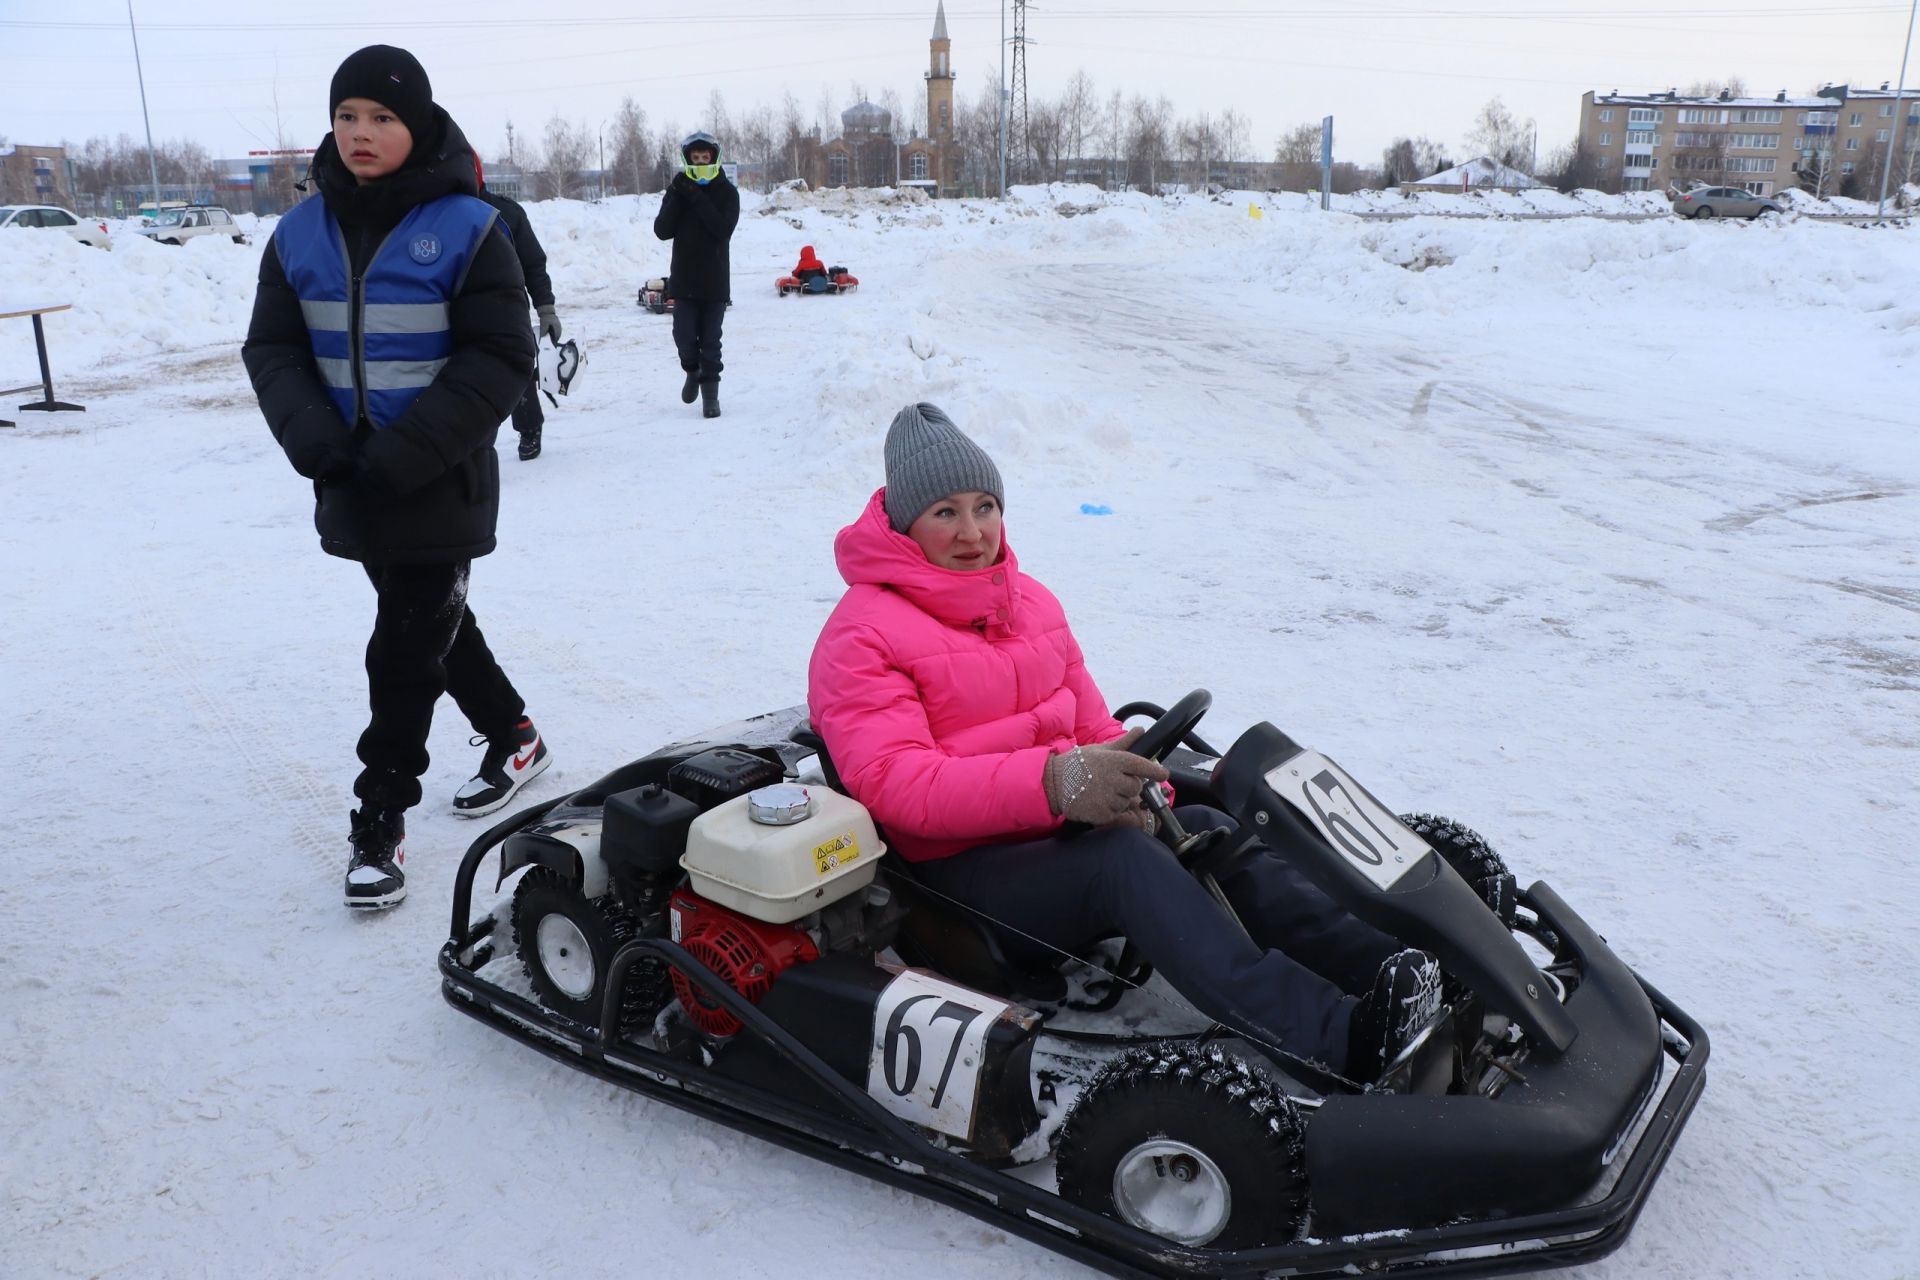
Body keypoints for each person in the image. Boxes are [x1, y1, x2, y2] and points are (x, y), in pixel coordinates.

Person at [806, 403, 1444, 1083]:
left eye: (985, 506)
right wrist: (1055, 785)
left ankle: (1396, 966)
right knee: (1123, 861)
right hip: (964, 878)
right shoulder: (862, 636)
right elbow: (899, 784)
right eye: (946, 513)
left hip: (1052, 837)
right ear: (906, 523)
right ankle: (1337, 1041)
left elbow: (1090, 729)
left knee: (1206, 827)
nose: (973, 532)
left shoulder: (1031, 605)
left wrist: (1145, 781)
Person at [242, 44, 553, 910]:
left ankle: (379, 818)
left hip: (438, 475)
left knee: (404, 647)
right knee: (434, 621)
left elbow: (500, 354)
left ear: (416, 126)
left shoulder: (469, 225)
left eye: (381, 118)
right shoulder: (298, 233)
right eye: (346, 116)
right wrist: (317, 441)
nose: (360, 134)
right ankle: (514, 736)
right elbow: (272, 347)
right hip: (349, 476)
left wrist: (405, 453)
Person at [475, 157, 561, 461]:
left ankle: (529, 428)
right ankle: (475, 442)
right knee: (468, 380)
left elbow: (533, 264)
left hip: (507, 312)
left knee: (517, 373)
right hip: (457, 315)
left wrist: (546, 309)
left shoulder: (506, 214)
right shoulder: (433, 216)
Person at [652, 130, 738, 420]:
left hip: (714, 283)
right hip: (685, 281)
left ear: (714, 158)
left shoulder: (727, 193)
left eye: (705, 157)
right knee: (684, 335)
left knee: (711, 341)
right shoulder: (678, 190)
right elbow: (662, 231)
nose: (700, 162)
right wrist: (678, 195)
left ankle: (710, 396)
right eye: (696, 157)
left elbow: (722, 230)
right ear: (687, 159)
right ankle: (692, 370)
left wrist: (696, 196)